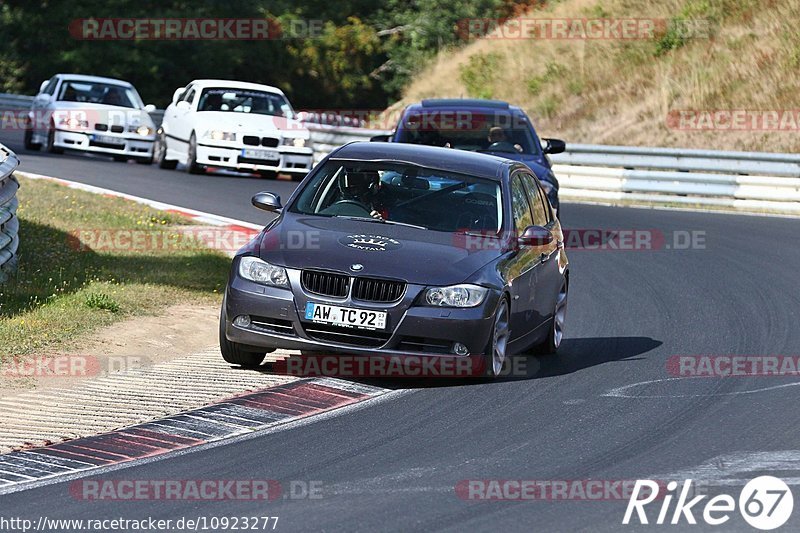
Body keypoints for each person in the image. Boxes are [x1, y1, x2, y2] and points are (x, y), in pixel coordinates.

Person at [321, 169, 386, 220]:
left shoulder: (384, 202)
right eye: (351, 177)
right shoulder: (336, 201)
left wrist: (377, 220)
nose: (354, 181)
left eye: (360, 177)